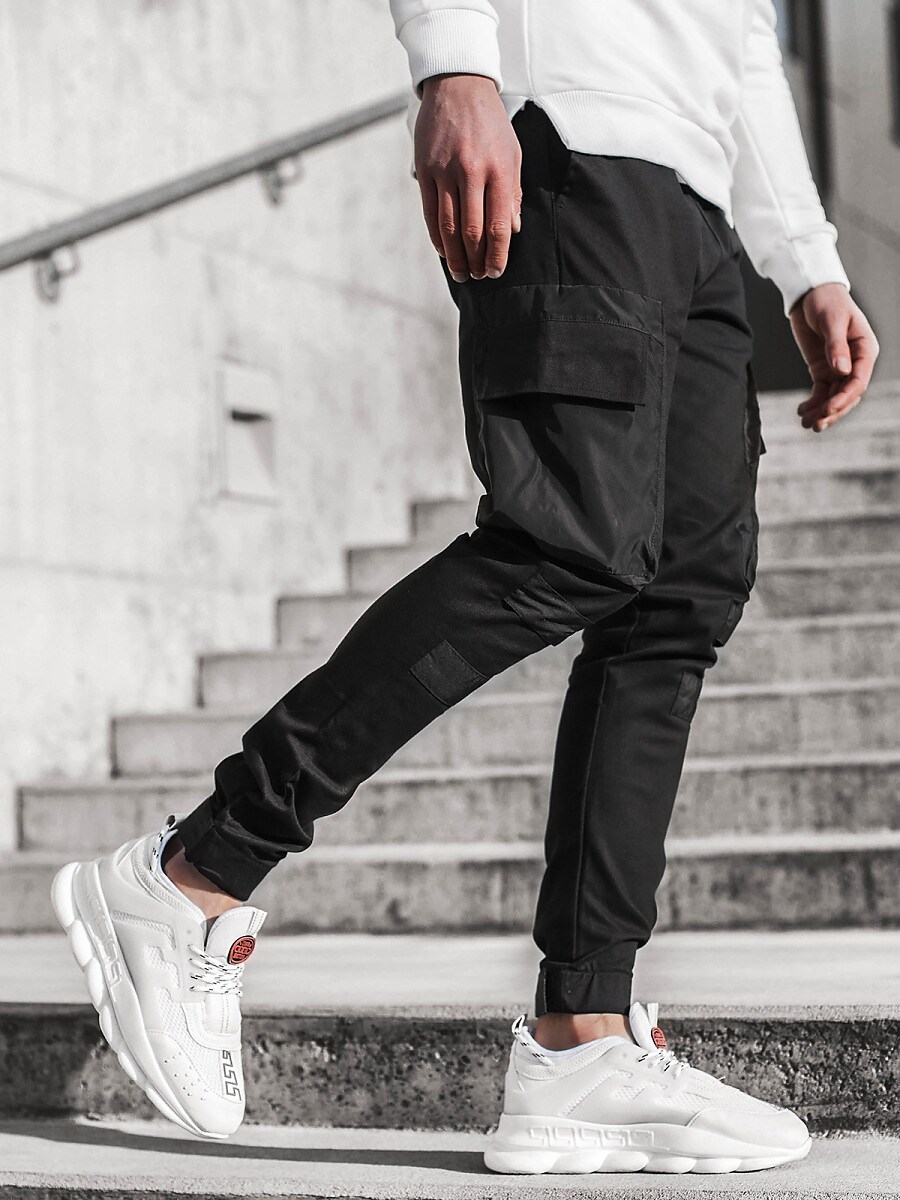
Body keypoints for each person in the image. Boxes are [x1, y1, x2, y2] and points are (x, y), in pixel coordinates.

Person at [52, 0, 880, 1176]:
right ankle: (195, 873)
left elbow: (744, 30)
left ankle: (583, 1033)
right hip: (572, 136)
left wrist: (807, 260)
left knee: (682, 596)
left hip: (699, 196)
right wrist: (455, 68)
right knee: (570, 541)